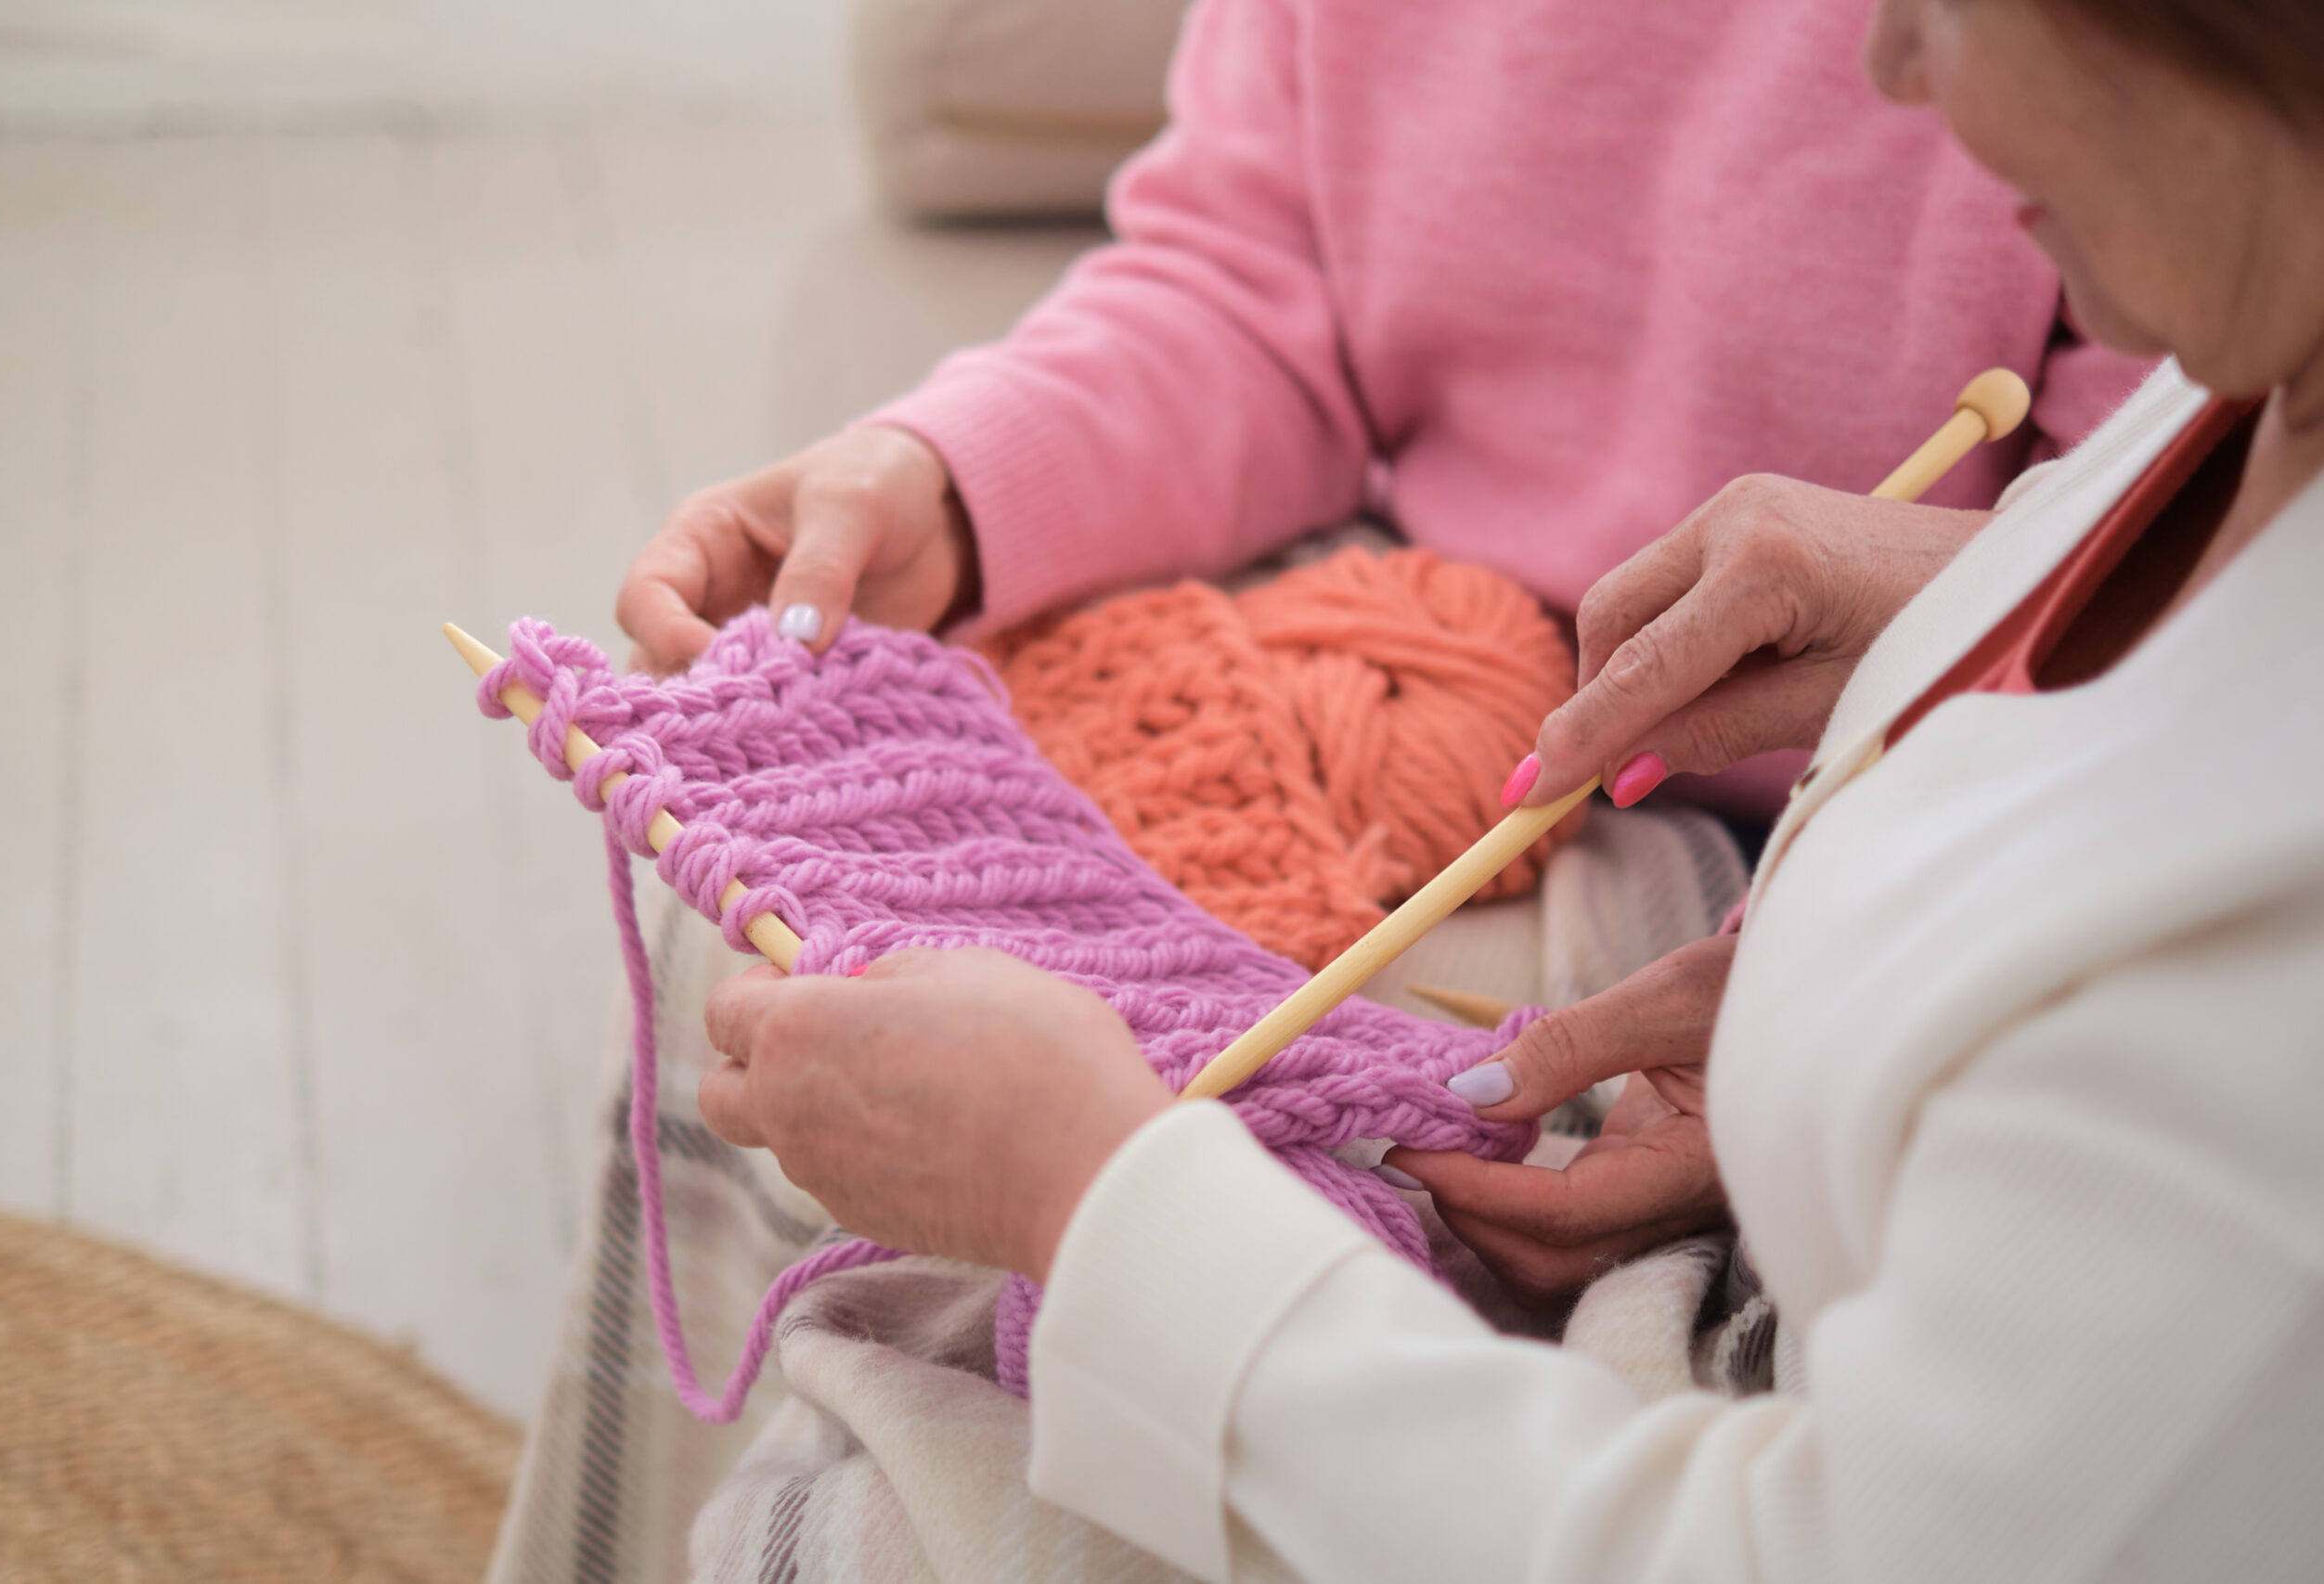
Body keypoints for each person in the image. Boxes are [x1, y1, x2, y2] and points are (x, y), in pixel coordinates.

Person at [689, 0, 2324, 1577]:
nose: (1886, 56)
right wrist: (951, 482)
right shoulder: (2243, 371)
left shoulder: (2252, 984)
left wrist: (1093, 1199)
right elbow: (1254, 278)